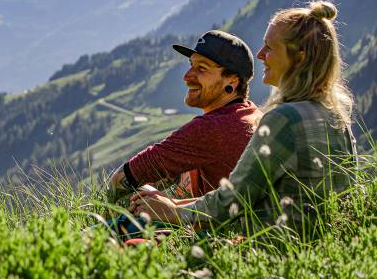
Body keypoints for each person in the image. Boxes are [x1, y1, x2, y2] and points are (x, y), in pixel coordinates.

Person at [131, 0, 357, 236]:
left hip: (273, 247)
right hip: (319, 240)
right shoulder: (335, 116)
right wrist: (171, 205)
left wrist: (173, 212)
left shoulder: (285, 118)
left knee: (132, 235)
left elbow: (235, 199)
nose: (260, 55)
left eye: (269, 48)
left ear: (299, 57)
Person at [107, 30, 262, 210]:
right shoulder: (252, 114)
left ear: (232, 81)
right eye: (191, 65)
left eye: (202, 68)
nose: (187, 76)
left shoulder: (212, 128)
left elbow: (122, 178)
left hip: (211, 232)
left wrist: (108, 211)